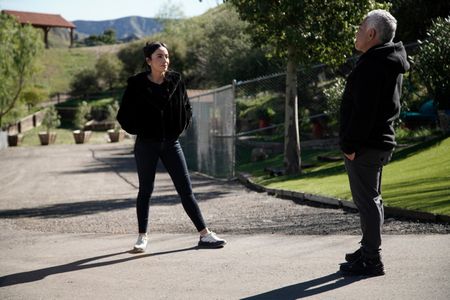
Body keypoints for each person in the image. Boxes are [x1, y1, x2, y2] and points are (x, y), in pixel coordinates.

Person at [117, 41, 227, 252]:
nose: (165, 60)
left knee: (186, 190)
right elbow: (124, 114)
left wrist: (179, 129)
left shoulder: (176, 81)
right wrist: (141, 130)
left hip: (171, 143)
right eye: (159, 56)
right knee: (145, 190)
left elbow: (186, 108)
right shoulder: (137, 84)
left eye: (166, 56)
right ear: (148, 61)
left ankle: (205, 235)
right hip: (146, 145)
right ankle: (142, 237)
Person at [338, 10, 409, 276]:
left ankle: (371, 259)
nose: (356, 32)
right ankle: (368, 249)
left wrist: (350, 145)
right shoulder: (387, 61)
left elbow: (364, 112)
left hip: (365, 145)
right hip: (379, 142)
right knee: (373, 200)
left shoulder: (372, 65)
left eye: (360, 28)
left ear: (371, 34)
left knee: (367, 202)